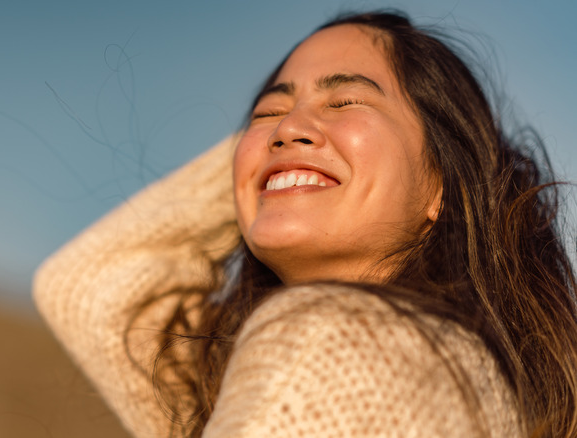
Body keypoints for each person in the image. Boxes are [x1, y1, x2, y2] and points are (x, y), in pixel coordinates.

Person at [34, 10, 577, 437]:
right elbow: (90, 290)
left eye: (345, 100)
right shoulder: (463, 371)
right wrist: (266, 166)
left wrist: (280, 156)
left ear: (440, 184)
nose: (289, 124)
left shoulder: (331, 341)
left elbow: (96, 284)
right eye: (267, 112)